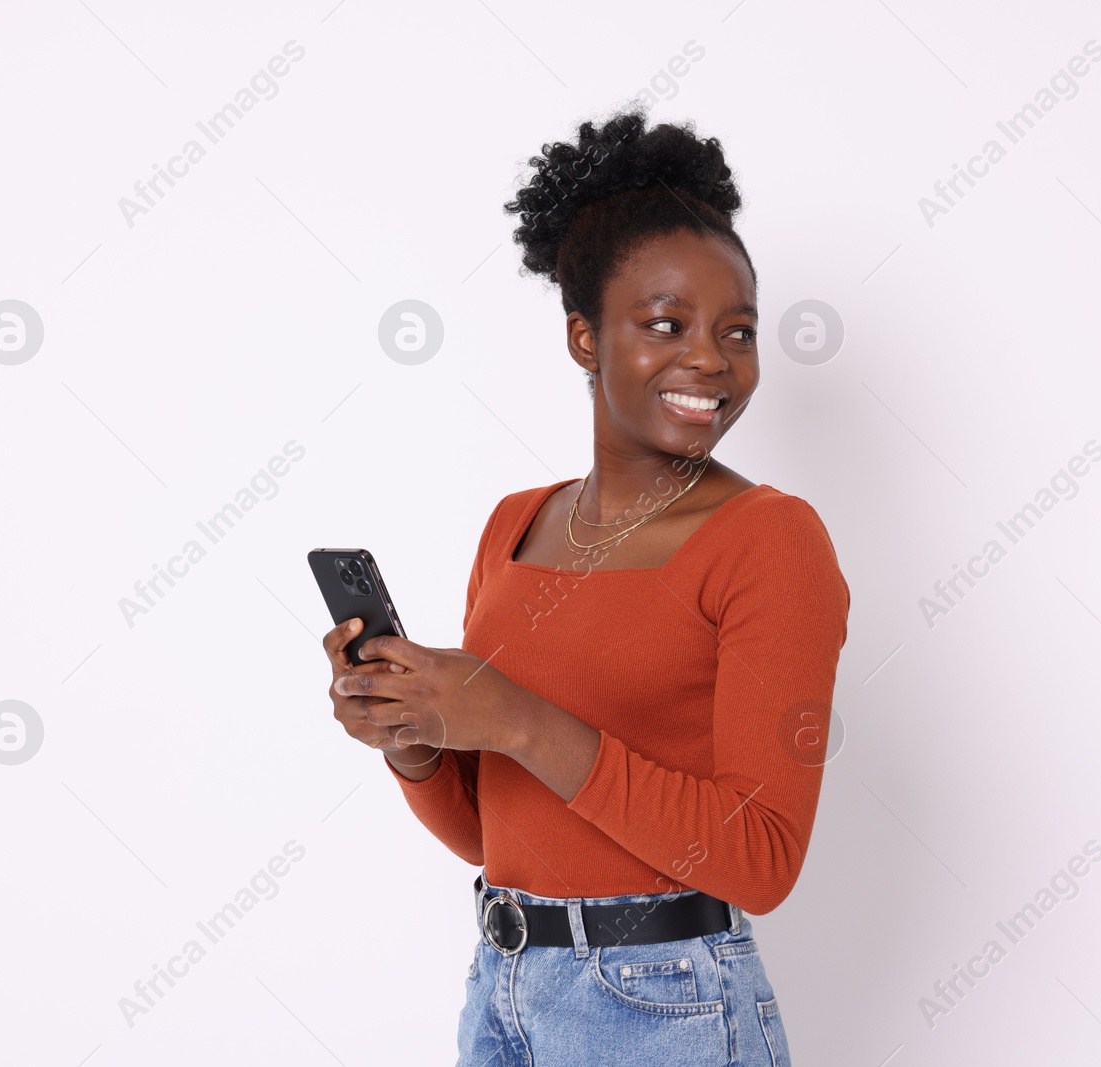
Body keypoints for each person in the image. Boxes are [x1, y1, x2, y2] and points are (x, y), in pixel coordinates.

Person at [322, 105, 849, 1066]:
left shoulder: (771, 541)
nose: (711, 360)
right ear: (583, 338)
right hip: (504, 990)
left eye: (739, 331)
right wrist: (414, 741)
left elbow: (762, 858)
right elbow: (497, 834)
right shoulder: (515, 524)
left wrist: (519, 718)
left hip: (669, 1008)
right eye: (666, 324)